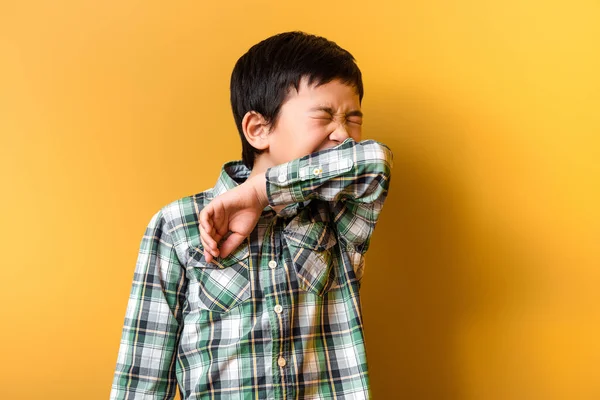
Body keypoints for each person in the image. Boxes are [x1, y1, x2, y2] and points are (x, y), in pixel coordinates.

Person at [110, 30, 393, 400]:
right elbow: (141, 379)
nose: (343, 135)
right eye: (324, 116)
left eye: (352, 119)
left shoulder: (339, 216)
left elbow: (374, 161)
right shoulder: (178, 225)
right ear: (259, 129)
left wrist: (260, 191)